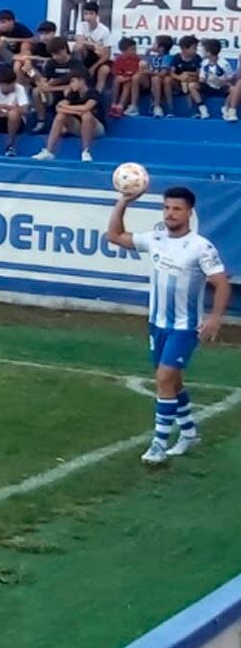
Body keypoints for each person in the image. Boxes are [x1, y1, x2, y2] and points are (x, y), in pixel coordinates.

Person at [105, 186, 229, 464]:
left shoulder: (201, 247)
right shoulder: (156, 238)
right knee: (173, 382)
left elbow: (221, 284)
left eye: (177, 209)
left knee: (163, 379)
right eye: (167, 208)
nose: (171, 213)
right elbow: (113, 235)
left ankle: (159, 444)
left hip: (185, 327)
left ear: (189, 212)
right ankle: (188, 433)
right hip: (157, 324)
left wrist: (214, 318)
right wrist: (123, 202)